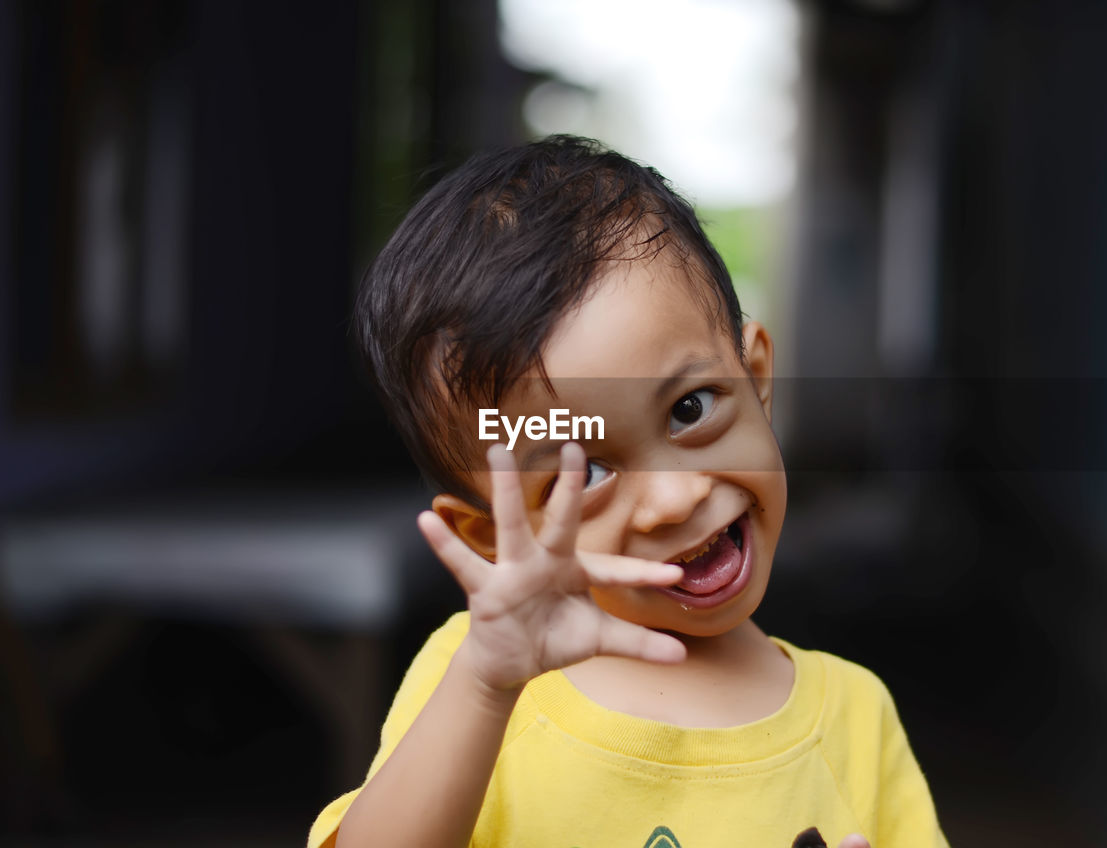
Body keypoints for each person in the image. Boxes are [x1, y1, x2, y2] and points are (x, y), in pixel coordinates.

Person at [308, 135, 949, 848]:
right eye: (586, 474)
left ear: (757, 379)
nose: (673, 501)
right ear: (493, 540)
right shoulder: (484, 692)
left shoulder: (855, 719)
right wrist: (484, 684)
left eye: (690, 409)